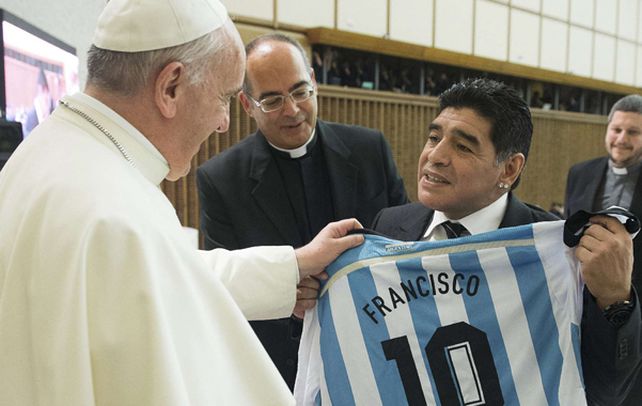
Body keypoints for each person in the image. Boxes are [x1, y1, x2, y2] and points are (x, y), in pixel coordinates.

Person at [0, 1, 365, 405]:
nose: (224, 122)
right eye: (224, 98)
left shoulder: (51, 150)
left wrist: (290, 267)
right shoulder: (114, 214)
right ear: (170, 87)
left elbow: (166, 272)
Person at [371, 78, 641, 404]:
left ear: (509, 169)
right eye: (433, 137)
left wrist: (615, 300)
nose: (435, 156)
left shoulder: (558, 253)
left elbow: (603, 387)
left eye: (463, 146)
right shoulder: (389, 225)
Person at [196, 33, 408, 389]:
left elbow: (404, 240)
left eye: (299, 91)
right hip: (281, 369)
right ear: (247, 105)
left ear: (313, 81)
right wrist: (280, 295)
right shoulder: (221, 180)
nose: (292, 110)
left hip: (379, 349)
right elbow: (224, 293)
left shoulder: (369, 149)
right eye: (273, 100)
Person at [565, 94, 642, 405]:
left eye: (633, 132)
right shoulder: (580, 172)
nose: (621, 139)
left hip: (633, 306)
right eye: (616, 129)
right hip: (580, 303)